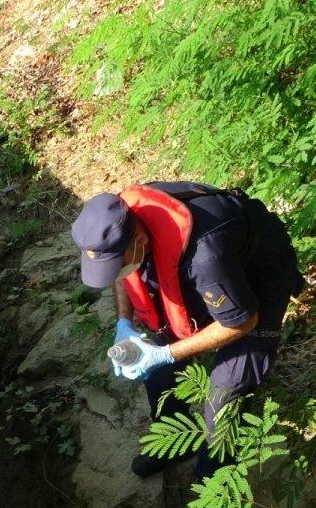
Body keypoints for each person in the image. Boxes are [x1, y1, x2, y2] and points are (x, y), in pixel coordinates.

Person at [71, 182, 304, 482]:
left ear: (139, 239)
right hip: (210, 270)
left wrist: (167, 353)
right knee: (156, 369)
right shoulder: (124, 228)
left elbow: (242, 322)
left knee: (224, 392)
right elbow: (122, 274)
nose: (115, 271)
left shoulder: (204, 254)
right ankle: (172, 443)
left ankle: (213, 494)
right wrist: (124, 324)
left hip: (259, 274)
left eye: (117, 264)